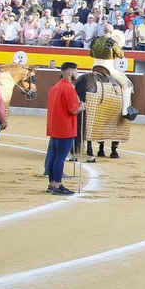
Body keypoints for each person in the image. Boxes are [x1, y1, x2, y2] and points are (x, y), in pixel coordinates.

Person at [44, 61, 82, 195]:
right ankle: (58, 184)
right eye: (76, 71)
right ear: (70, 72)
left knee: (54, 156)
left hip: (54, 127)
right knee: (60, 157)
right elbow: (74, 110)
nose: (77, 74)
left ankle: (52, 184)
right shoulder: (69, 88)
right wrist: (82, 107)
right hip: (65, 127)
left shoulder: (55, 88)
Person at [90, 24, 140, 120]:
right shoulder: (112, 42)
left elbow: (91, 54)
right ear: (112, 32)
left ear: (103, 30)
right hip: (108, 68)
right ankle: (125, 111)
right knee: (127, 84)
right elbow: (121, 55)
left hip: (94, 67)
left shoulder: (95, 40)